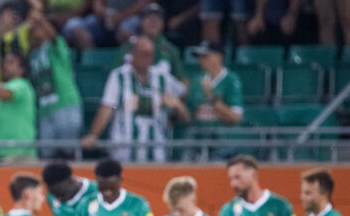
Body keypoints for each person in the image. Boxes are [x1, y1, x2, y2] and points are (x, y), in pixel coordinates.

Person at [81, 35, 189, 163]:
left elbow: (184, 91)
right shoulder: (118, 76)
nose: (147, 58)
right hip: (124, 151)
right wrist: (94, 134)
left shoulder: (162, 77)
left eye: (150, 54)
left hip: (157, 153)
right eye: (143, 53)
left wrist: (178, 105)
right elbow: (107, 108)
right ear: (133, 54)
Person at [27, 7, 83, 157]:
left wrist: (40, 18)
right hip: (44, 110)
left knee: (69, 152)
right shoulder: (31, 55)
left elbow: (53, 36)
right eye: (33, 29)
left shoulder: (56, 46)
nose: (36, 30)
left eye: (40, 28)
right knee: (47, 156)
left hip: (65, 105)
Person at [117, 4, 187, 85]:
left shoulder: (170, 50)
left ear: (163, 23)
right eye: (149, 18)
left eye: (157, 18)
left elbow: (182, 81)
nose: (153, 22)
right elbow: (116, 74)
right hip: (131, 92)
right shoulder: (129, 46)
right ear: (141, 21)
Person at [187, 41, 243, 129]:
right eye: (199, 57)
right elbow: (190, 114)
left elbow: (236, 117)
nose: (201, 60)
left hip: (222, 135)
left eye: (205, 56)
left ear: (218, 56)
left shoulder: (231, 79)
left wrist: (211, 97)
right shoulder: (197, 79)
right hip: (198, 135)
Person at [0, 1, 32, 83]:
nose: (9, 17)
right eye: (6, 14)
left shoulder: (22, 32)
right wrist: (2, 29)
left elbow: (36, 16)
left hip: (21, 79)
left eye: (12, 14)